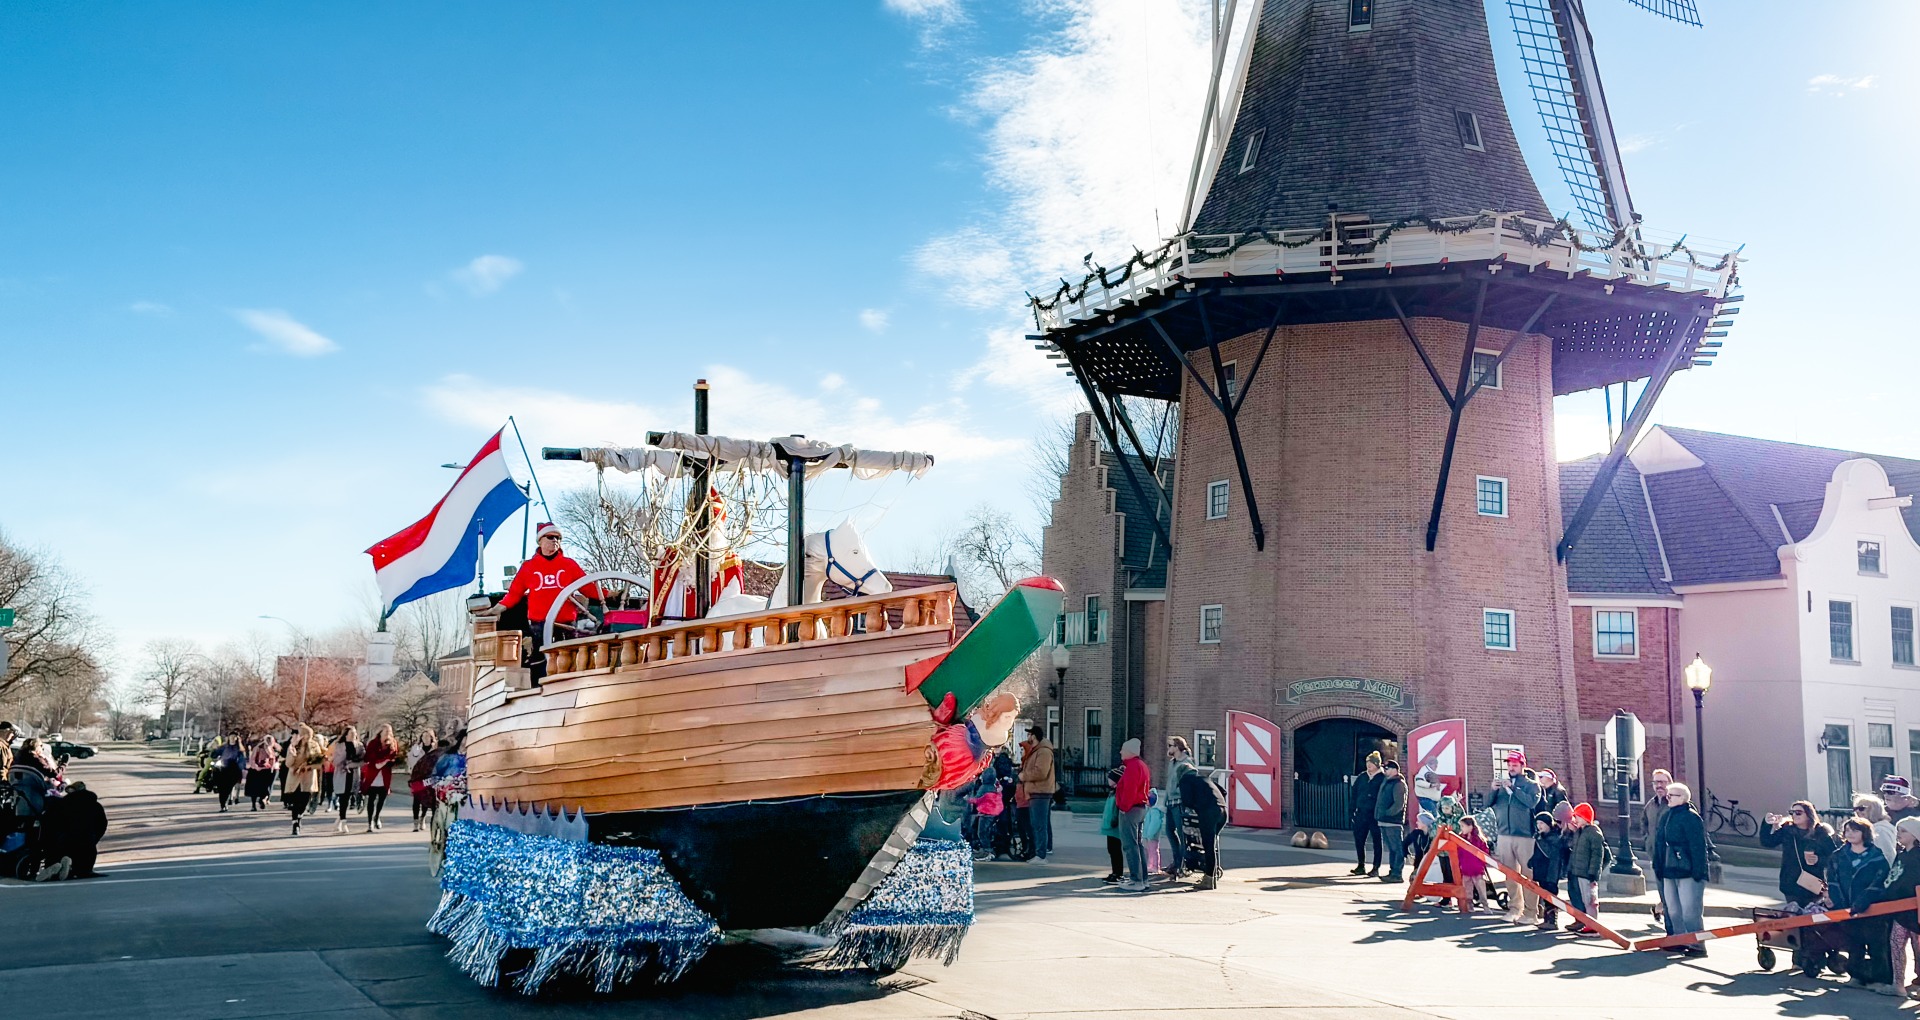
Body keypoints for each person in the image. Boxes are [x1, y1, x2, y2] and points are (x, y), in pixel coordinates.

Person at [495, 523, 603, 682]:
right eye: (551, 537)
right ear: (540, 541)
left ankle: (569, 686)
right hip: (539, 624)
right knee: (540, 659)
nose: (555, 541)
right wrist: (496, 609)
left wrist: (609, 594)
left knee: (568, 659)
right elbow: (514, 594)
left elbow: (588, 588)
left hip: (566, 623)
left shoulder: (569, 565)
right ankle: (540, 689)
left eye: (558, 538)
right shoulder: (528, 567)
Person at [1829, 817, 1894, 992]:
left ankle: (1881, 979)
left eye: (1855, 830)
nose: (1850, 834)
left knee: (1877, 944)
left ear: (1865, 833)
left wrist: (1864, 900)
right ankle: (1856, 975)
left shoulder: (1876, 856)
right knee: (1854, 943)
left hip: (1872, 909)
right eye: (1847, 830)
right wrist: (1840, 903)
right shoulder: (1838, 856)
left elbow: (1880, 881)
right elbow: (1833, 880)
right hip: (1846, 909)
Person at [1651, 781, 1710, 956]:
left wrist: (1699, 872)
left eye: (1672, 795)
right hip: (1669, 869)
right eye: (1667, 795)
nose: (1667, 798)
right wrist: (1658, 866)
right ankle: (1678, 940)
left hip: (1688, 871)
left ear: (1683, 798)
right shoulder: (1666, 816)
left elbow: (1699, 846)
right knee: (1673, 909)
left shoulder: (1691, 817)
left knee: (1690, 910)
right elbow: (1659, 843)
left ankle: (1697, 946)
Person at [1489, 750, 1542, 923]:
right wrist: (1493, 790)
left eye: (1515, 765)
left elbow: (1531, 802)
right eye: (1509, 765)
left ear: (1522, 766)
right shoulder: (1502, 785)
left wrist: (1513, 788)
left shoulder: (1531, 785)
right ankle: (1514, 908)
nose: (1511, 768)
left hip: (1525, 835)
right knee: (1509, 874)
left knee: (1528, 874)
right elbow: (1488, 804)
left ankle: (1531, 912)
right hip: (1504, 833)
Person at [1759, 800, 1837, 907]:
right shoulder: (1787, 831)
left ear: (1809, 814)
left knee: (1812, 914)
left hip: (1813, 884)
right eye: (1792, 812)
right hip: (1791, 882)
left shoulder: (1820, 833)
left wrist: (1819, 860)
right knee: (1794, 913)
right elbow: (1767, 842)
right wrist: (1767, 824)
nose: (1794, 815)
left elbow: (1834, 858)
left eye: (1798, 812)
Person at [1880, 816, 1920, 998]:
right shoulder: (1901, 855)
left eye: (1903, 831)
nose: (1898, 835)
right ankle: (1898, 985)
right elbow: (1893, 878)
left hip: (1917, 910)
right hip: (1900, 910)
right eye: (1898, 830)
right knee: (1896, 944)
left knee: (1918, 949)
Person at [1178, 765, 1228, 890]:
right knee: (1212, 844)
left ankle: (1209, 879)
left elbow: (1187, 801)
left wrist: (1196, 806)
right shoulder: (1204, 778)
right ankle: (1212, 874)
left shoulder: (1185, 780)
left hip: (1208, 811)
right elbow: (1224, 792)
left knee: (1208, 845)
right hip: (1222, 810)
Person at [1116, 737, 1152, 892]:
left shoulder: (1132, 767)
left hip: (1131, 809)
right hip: (1141, 807)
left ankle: (1135, 879)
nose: (1120, 752)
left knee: (1130, 845)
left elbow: (1129, 789)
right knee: (1138, 844)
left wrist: (1124, 807)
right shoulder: (1141, 766)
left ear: (1129, 752)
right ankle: (1143, 878)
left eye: (1123, 749)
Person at [1566, 803, 1608, 934]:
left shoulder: (1594, 833)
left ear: (1585, 817)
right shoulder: (1579, 832)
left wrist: (1593, 873)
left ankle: (1593, 926)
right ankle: (1586, 923)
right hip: (1577, 871)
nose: (1575, 819)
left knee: (1590, 900)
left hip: (1586, 873)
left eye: (1577, 816)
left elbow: (1597, 855)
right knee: (1583, 899)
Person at [1017, 728, 1057, 863]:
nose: (1028, 736)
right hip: (1035, 792)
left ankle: (1041, 855)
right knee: (1037, 824)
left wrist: (1024, 776)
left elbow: (1041, 772)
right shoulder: (1037, 751)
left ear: (1034, 736)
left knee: (1039, 824)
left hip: (1040, 792)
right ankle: (1039, 853)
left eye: (1029, 734)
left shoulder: (1043, 752)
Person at [1527, 811, 1568, 929]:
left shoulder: (1555, 837)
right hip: (1541, 870)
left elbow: (1550, 853)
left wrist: (1540, 839)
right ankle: (1546, 919)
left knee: (1550, 894)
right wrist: (1532, 861)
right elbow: (1538, 853)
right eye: (1538, 823)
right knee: (1544, 894)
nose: (1539, 826)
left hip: (1551, 872)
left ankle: (1552, 921)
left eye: (1542, 823)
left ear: (1549, 824)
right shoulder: (1541, 836)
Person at [283, 724, 326, 836]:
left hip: (308, 777)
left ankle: (299, 816)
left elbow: (318, 762)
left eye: (307, 734)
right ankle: (295, 823)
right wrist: (292, 755)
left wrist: (308, 766)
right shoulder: (293, 746)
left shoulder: (314, 745)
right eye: (303, 734)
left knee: (304, 801)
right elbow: (288, 763)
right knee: (296, 801)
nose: (305, 737)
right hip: (295, 776)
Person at [1164, 736, 1196, 878]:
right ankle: (1176, 861)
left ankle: (1182, 864)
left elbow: (1190, 783)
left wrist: (1180, 795)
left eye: (1170, 745)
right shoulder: (1172, 763)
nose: (1168, 748)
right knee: (1169, 831)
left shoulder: (1186, 763)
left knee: (1182, 834)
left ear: (1177, 747)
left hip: (1179, 803)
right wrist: (1165, 800)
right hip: (1170, 802)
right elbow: (1168, 783)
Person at [1349, 751, 1385, 877]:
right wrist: (1352, 810)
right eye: (1367, 763)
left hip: (1375, 814)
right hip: (1361, 813)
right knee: (1359, 839)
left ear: (1377, 764)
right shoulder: (1362, 777)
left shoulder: (1382, 778)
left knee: (1377, 841)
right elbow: (1354, 794)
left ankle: (1376, 867)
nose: (1368, 765)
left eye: (1371, 763)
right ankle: (1361, 865)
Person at [362, 723, 400, 832]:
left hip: (385, 774)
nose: (388, 734)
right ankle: (369, 822)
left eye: (389, 732)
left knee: (382, 798)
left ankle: (377, 816)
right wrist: (381, 761)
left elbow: (394, 756)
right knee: (371, 799)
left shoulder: (393, 743)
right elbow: (369, 757)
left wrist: (388, 761)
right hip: (373, 773)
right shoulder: (374, 743)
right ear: (380, 732)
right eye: (385, 731)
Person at [1376, 760, 1408, 883]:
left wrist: (1387, 813)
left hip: (1393, 821)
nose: (1385, 771)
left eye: (1388, 768)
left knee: (1396, 847)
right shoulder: (1387, 782)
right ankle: (1392, 871)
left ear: (1395, 770)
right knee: (1391, 848)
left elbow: (1399, 804)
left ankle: (1397, 873)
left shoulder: (1399, 784)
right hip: (1384, 820)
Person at [1455, 815, 1493, 910]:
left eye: (1463, 826)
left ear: (1470, 826)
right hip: (1465, 867)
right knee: (1467, 888)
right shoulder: (1460, 838)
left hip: (1477, 868)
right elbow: (1458, 851)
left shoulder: (1479, 839)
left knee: (1480, 887)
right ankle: (1469, 904)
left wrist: (1482, 863)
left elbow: (1485, 852)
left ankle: (1485, 905)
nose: (1461, 828)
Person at [408, 736, 446, 832]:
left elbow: (417, 768)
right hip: (436, 785)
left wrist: (413, 781)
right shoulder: (446, 757)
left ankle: (418, 822)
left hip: (421, 784)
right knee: (435, 808)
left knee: (418, 802)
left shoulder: (429, 756)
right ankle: (435, 829)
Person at [332, 726, 363, 834]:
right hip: (342, 774)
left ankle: (339, 819)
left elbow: (363, 760)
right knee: (343, 798)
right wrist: (344, 756)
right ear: (346, 735)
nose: (353, 735)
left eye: (354, 733)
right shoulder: (339, 746)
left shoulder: (359, 746)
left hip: (353, 774)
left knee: (349, 797)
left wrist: (352, 764)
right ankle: (344, 822)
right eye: (351, 733)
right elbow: (335, 761)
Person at [1098, 766, 1126, 884]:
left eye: (1110, 778)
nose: (1108, 780)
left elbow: (1116, 810)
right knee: (1111, 850)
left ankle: (1118, 873)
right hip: (1109, 826)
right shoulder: (1112, 793)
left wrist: (1114, 820)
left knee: (1115, 850)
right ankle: (1115, 871)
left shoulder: (1118, 794)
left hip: (1114, 827)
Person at [1857, 793, 1899, 863]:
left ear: (1873, 810)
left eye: (1861, 808)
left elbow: (1888, 855)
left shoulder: (1879, 830)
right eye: (1855, 809)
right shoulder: (1878, 827)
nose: (1857, 811)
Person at [210, 735, 245, 812]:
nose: (232, 739)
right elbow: (214, 755)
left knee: (228, 788)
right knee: (221, 788)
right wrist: (214, 749)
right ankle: (223, 804)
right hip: (223, 768)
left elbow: (242, 760)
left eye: (234, 737)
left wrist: (241, 768)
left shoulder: (239, 749)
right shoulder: (224, 747)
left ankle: (226, 801)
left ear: (237, 739)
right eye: (231, 737)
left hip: (233, 770)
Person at [244, 736, 278, 811]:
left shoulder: (271, 749)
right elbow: (252, 759)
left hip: (266, 770)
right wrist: (256, 767)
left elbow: (273, 759)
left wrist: (272, 767)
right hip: (256, 770)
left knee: (265, 788)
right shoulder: (258, 748)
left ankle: (262, 800)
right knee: (254, 789)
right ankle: (253, 805)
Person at [1142, 789, 1166, 876]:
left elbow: (1154, 824)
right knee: (1150, 851)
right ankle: (1151, 865)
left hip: (1152, 836)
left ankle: (1155, 866)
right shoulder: (1150, 811)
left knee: (1153, 851)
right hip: (1149, 835)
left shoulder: (1154, 811)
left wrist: (1150, 834)